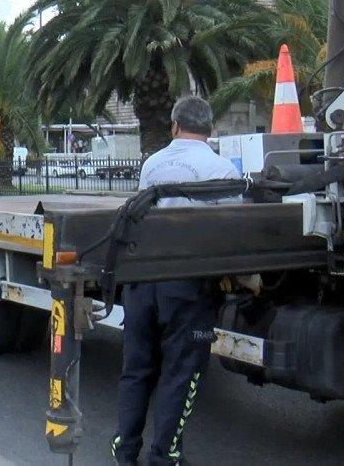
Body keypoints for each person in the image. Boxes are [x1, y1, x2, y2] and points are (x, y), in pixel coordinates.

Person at [111, 96, 240, 466]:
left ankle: (125, 451)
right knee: (179, 373)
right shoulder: (221, 169)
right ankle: (163, 456)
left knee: (136, 369)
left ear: (173, 126)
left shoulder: (152, 164)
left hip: (143, 280)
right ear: (210, 128)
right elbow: (234, 230)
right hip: (186, 287)